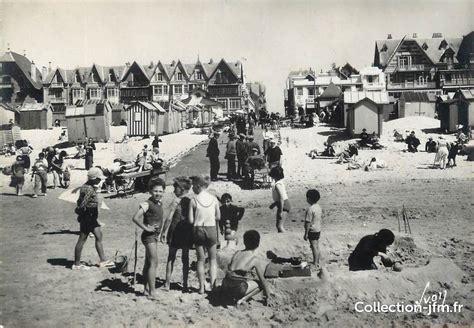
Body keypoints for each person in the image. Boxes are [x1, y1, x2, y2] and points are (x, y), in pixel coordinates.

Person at [132, 178, 166, 299]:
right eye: (155, 191)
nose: (158, 193)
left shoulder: (160, 203)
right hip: (148, 237)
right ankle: (152, 292)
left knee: (148, 263)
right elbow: (135, 217)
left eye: (160, 191)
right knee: (154, 262)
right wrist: (146, 228)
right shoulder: (147, 203)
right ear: (150, 191)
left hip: (154, 236)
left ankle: (146, 289)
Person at [73, 167, 114, 270]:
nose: (100, 180)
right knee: (82, 239)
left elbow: (79, 201)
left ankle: (103, 260)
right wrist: (81, 214)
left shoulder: (85, 186)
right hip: (88, 217)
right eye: (99, 178)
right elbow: (82, 204)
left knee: (99, 236)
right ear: (94, 178)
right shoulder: (90, 189)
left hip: (90, 217)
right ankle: (77, 264)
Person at [188, 175, 220, 294]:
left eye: (193, 186)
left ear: (198, 186)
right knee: (212, 259)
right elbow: (218, 217)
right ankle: (213, 286)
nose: (192, 189)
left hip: (198, 229)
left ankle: (201, 287)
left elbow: (191, 221)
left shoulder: (193, 200)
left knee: (200, 260)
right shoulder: (214, 199)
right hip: (211, 228)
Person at [162, 177, 193, 292]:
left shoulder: (176, 201)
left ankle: (167, 283)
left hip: (175, 231)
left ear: (181, 189)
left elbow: (169, 218)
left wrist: (163, 232)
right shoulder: (190, 201)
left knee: (171, 257)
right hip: (186, 231)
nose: (174, 190)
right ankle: (185, 284)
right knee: (185, 258)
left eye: (175, 188)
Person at [221, 230, 270, 304]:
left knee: (237, 277)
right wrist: (268, 296)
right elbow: (263, 281)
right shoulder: (254, 259)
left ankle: (228, 296)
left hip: (225, 286)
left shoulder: (237, 253)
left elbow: (231, 268)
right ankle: (243, 299)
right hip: (237, 289)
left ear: (244, 242)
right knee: (260, 284)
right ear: (258, 243)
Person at [303, 189, 322, 268]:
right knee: (316, 245)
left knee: (313, 246)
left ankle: (315, 262)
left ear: (309, 199)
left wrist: (306, 233)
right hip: (318, 229)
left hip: (312, 230)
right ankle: (317, 260)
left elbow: (308, 222)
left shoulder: (310, 209)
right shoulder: (318, 207)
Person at [269, 166, 290, 233]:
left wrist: (280, 211)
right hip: (283, 204)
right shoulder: (279, 183)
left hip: (283, 205)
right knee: (279, 225)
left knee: (280, 226)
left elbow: (281, 198)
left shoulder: (278, 185)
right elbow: (280, 198)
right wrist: (274, 204)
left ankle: (286, 238)